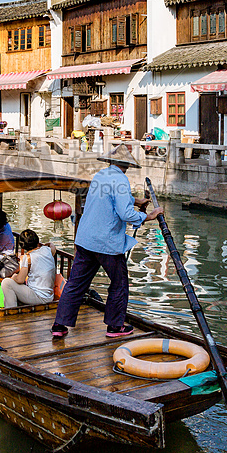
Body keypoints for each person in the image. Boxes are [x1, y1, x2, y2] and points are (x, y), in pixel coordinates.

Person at [51, 145, 163, 339]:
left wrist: (135, 201)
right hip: (107, 243)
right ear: (126, 165)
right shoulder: (121, 179)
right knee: (119, 283)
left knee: (76, 284)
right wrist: (149, 216)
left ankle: (59, 325)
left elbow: (109, 199)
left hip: (86, 239)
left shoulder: (100, 175)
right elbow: (124, 213)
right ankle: (114, 326)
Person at [0, 229, 56, 308]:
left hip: (39, 297)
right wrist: (48, 244)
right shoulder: (46, 250)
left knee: (6, 283)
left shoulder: (27, 258)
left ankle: (11, 310)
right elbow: (52, 247)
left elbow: (20, 280)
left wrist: (14, 276)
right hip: (49, 296)